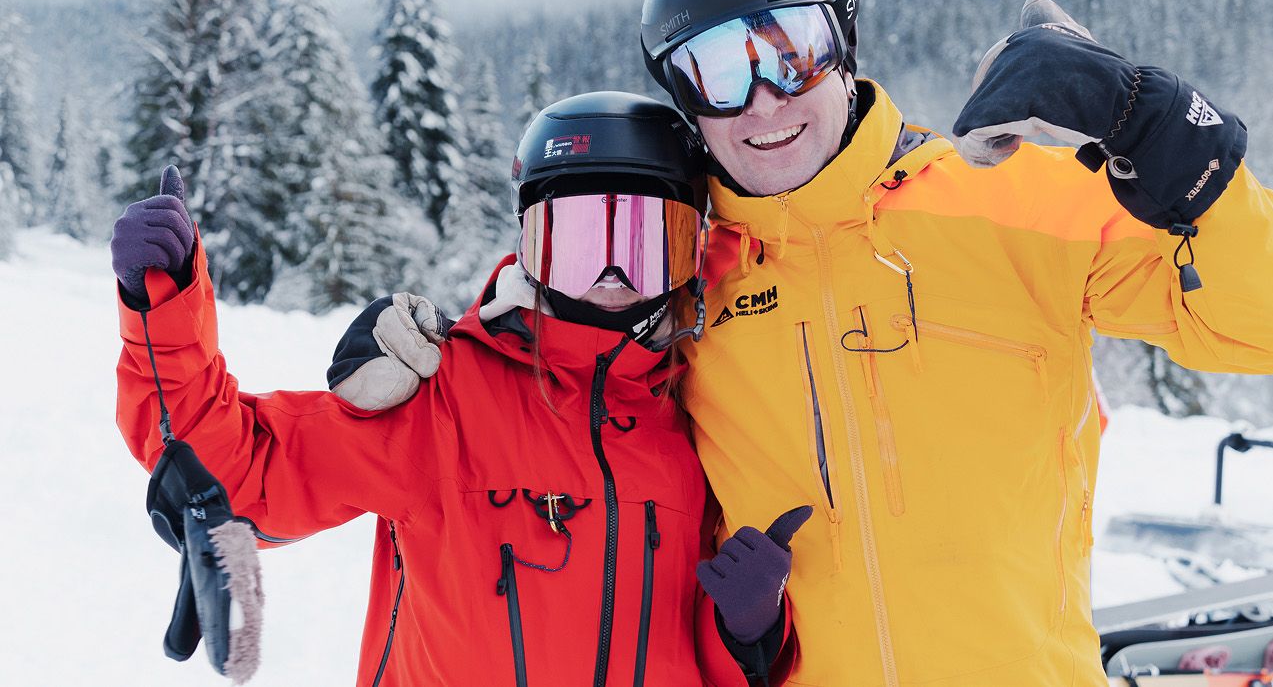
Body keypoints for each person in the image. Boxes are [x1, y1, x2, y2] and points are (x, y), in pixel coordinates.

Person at [334, 0, 1273, 686]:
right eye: (717, 73)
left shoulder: (1008, 201)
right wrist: (444, 355)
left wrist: (1165, 137)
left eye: (790, 50)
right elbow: (554, 390)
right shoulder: (680, 271)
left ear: (841, 42)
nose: (763, 100)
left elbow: (1269, 325)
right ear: (683, 99)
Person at [111, 92, 807, 686]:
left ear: (690, 257)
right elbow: (238, 475)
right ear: (531, 247)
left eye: (646, 242)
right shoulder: (447, 400)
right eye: (580, 240)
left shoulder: (701, 420)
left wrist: (748, 631)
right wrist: (164, 307)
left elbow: (693, 661)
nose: (611, 276)